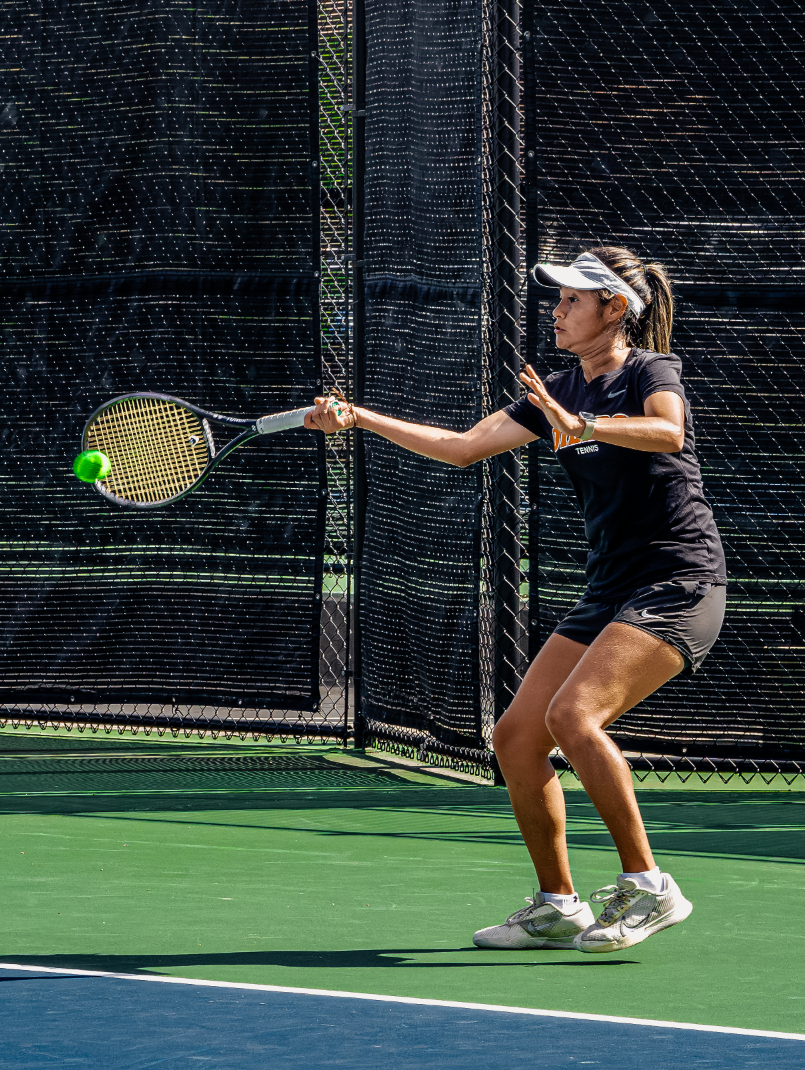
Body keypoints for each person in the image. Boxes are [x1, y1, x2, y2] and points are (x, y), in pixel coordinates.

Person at [304, 246, 725, 953]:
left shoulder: (649, 371)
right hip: (611, 588)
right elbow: (464, 446)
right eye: (556, 299)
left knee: (573, 714)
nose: (556, 311)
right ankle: (558, 903)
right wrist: (360, 419)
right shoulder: (556, 389)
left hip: (678, 581)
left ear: (614, 309)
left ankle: (651, 884)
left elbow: (669, 429)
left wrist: (583, 425)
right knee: (517, 737)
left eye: (571, 300)